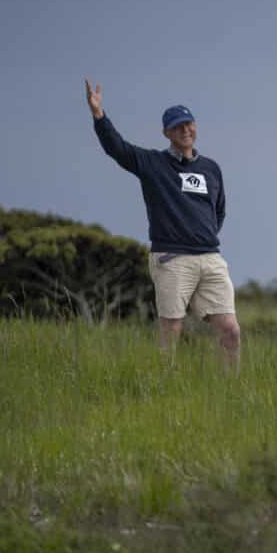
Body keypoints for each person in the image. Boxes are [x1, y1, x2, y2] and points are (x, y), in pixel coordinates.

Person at [85, 78, 242, 367]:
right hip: (172, 258)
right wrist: (99, 115)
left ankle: (229, 391)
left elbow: (218, 211)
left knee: (230, 330)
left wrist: (201, 235)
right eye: (178, 127)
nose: (185, 130)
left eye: (189, 124)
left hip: (210, 258)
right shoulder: (152, 163)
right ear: (166, 132)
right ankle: (163, 387)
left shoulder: (211, 169)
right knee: (172, 332)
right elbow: (117, 148)